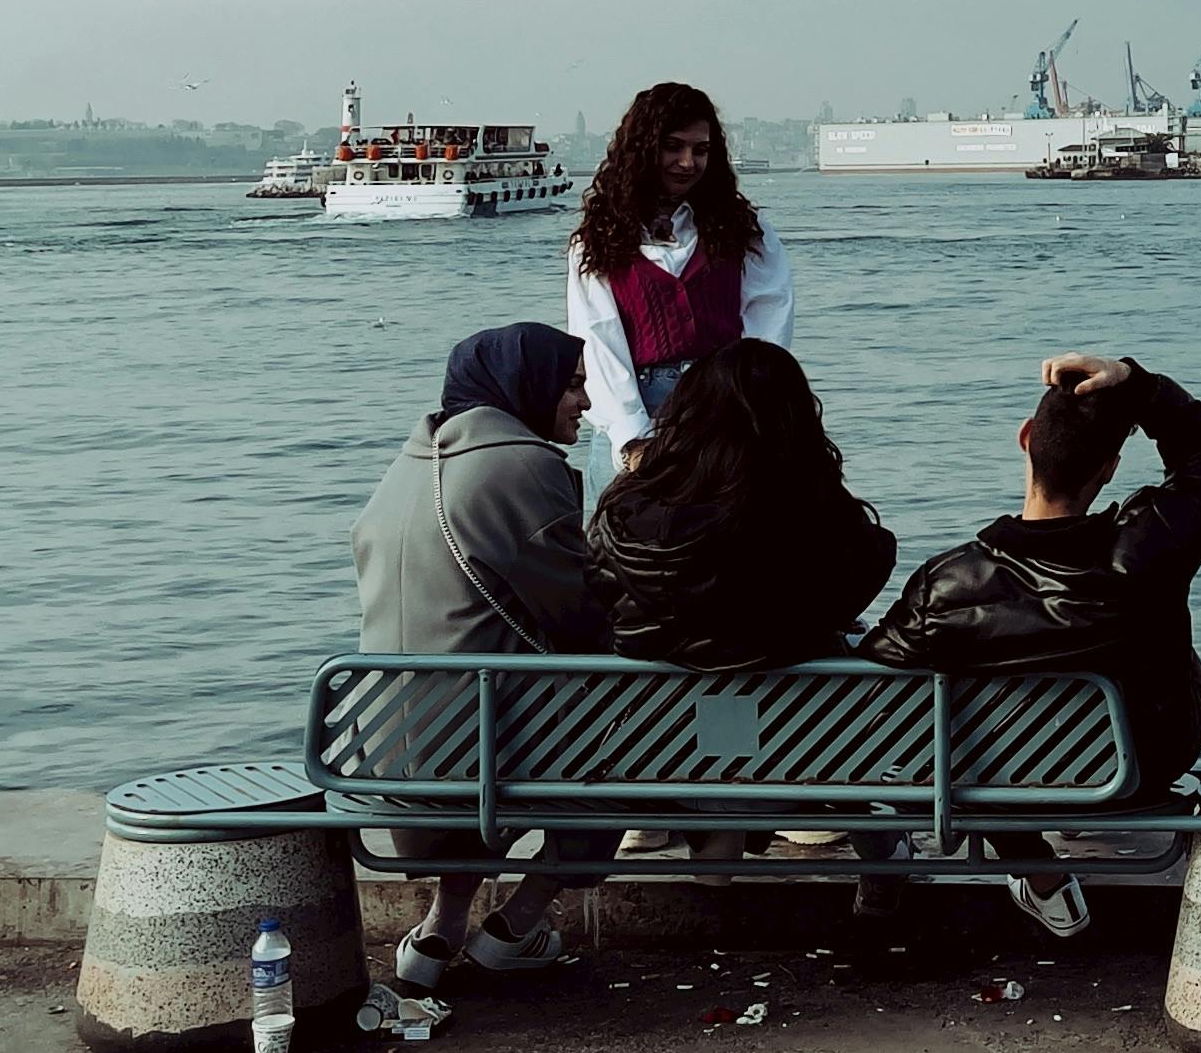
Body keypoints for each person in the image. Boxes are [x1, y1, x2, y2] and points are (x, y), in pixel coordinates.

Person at [861, 352, 1201, 938]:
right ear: (1111, 467)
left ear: (1025, 439)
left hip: (1003, 785)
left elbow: (870, 690)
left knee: (939, 716)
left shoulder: (946, 583)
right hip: (1136, 774)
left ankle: (1026, 856)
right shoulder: (1153, 548)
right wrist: (1139, 386)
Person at [350, 323, 608, 993]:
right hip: (474, 755)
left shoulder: (405, 468)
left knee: (480, 703)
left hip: (386, 755)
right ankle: (515, 925)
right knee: (639, 734)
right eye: (573, 384)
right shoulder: (523, 467)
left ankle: (440, 930)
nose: (585, 402)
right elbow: (580, 616)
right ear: (527, 386)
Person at [586, 338, 897, 667]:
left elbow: (599, 597)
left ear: (688, 415)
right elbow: (868, 564)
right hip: (800, 710)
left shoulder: (625, 516)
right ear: (796, 420)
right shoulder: (821, 525)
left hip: (648, 710)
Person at [567, 82, 792, 467]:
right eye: (673, 147)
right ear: (643, 151)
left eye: (700, 150)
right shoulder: (599, 240)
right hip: (636, 410)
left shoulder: (743, 231)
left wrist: (747, 407)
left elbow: (769, 323)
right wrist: (632, 440)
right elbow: (598, 338)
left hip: (724, 409)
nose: (688, 162)